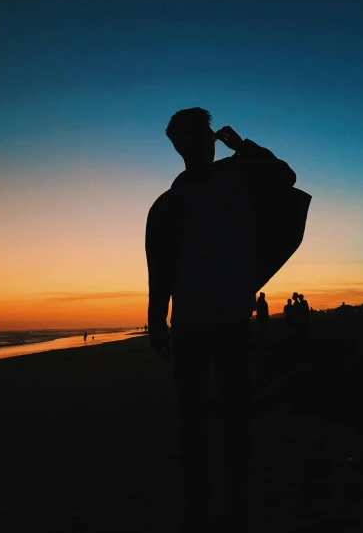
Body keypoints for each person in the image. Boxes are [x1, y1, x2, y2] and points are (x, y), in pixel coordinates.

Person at [146, 108, 310, 531]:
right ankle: (198, 504)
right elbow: (160, 264)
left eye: (207, 135)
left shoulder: (238, 173)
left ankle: (236, 504)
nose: (203, 142)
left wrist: (242, 145)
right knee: (193, 417)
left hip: (232, 317)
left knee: (237, 416)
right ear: (178, 145)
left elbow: (286, 177)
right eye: (194, 137)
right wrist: (155, 318)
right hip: (189, 322)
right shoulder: (171, 200)